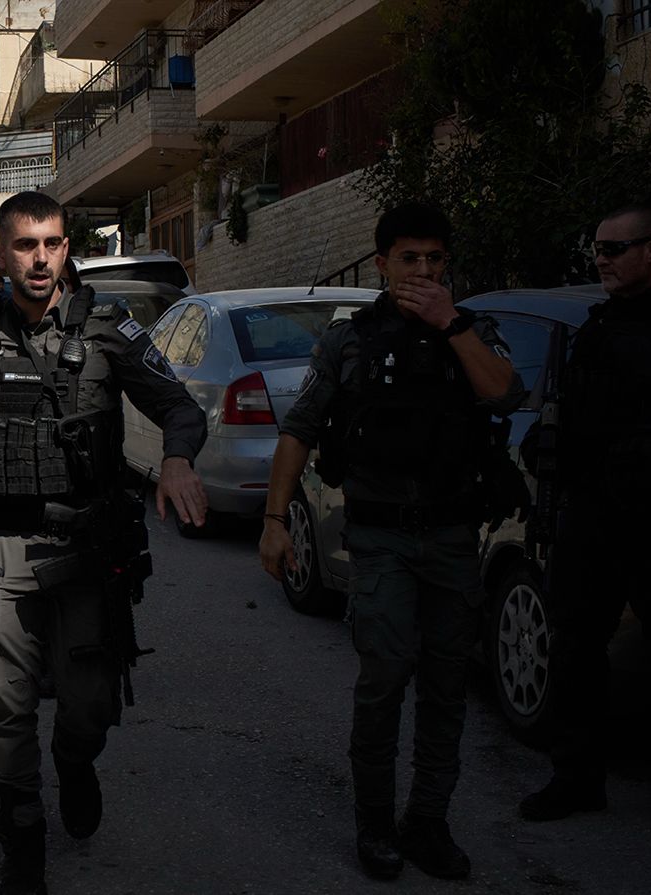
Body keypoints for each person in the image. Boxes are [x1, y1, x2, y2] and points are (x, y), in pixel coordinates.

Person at [259, 203, 524, 882]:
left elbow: (502, 394)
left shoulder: (471, 331)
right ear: (382, 264)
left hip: (453, 535)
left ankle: (427, 820)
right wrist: (275, 519)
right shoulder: (350, 340)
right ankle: (375, 824)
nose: (426, 271)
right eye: (411, 258)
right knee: (382, 682)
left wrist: (449, 324)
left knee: (446, 687)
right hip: (380, 540)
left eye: (437, 259)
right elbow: (300, 428)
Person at [0, 191, 208, 895]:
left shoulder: (108, 329)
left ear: (68, 248)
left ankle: (74, 759)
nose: (41, 258)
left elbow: (178, 407)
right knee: (6, 709)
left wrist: (179, 459)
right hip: (1, 544)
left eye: (54, 243)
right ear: (0, 252)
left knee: (90, 703)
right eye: (27, 244)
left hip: (89, 546)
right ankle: (23, 842)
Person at [518, 206, 651, 841]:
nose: (602, 259)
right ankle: (578, 777)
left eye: (615, 248)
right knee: (577, 646)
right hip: (593, 515)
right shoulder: (600, 325)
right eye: (598, 249)